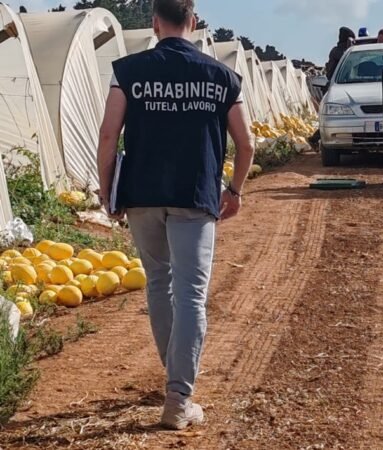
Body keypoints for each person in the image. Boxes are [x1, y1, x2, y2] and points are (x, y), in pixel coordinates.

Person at [96, 0, 254, 430]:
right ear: (194, 22)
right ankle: (179, 397)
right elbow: (247, 144)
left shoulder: (128, 71)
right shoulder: (221, 77)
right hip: (194, 196)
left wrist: (106, 189)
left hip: (142, 195)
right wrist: (235, 189)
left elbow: (109, 134)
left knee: (159, 283)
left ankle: (175, 380)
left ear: (154, 22)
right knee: (191, 295)